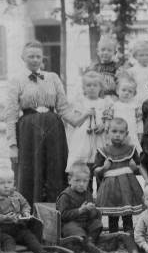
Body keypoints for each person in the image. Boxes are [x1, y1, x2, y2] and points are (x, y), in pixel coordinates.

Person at [5, 41, 89, 206]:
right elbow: (10, 115)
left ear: (42, 57)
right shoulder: (16, 80)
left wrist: (84, 116)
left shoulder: (53, 77)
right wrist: (12, 145)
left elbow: (64, 109)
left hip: (53, 129)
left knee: (55, 169)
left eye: (38, 56)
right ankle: (29, 214)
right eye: (31, 56)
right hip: (29, 131)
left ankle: (57, 214)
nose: (35, 59)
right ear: (23, 58)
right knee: (29, 172)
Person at [0, 169, 59, 253]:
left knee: (28, 236)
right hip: (1, 231)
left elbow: (25, 204)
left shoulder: (16, 195)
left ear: (13, 183)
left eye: (9, 182)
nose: (6, 186)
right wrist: (4, 217)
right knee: (8, 241)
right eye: (2, 183)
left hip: (17, 227)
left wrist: (25, 212)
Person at [93, 118, 146, 233]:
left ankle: (129, 237)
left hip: (128, 186)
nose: (118, 135)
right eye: (114, 131)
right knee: (113, 215)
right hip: (111, 188)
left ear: (126, 134)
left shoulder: (131, 149)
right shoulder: (103, 151)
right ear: (107, 132)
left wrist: (134, 167)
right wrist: (104, 168)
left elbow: (138, 167)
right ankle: (114, 237)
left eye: (121, 132)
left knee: (127, 214)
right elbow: (96, 170)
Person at [66, 71, 112, 191]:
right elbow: (76, 122)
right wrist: (85, 114)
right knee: (84, 167)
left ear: (100, 87)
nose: (91, 88)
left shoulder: (105, 102)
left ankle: (102, 195)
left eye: (95, 85)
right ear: (84, 88)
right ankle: (85, 194)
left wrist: (103, 126)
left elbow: (108, 119)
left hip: (99, 138)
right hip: (83, 138)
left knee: (99, 166)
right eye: (88, 85)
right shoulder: (80, 102)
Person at [56, 163, 110, 253]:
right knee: (76, 231)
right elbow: (62, 215)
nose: (81, 184)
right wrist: (79, 210)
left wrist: (93, 211)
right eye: (77, 180)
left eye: (85, 181)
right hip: (69, 224)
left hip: (85, 223)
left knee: (97, 224)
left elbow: (92, 216)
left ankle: (89, 243)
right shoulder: (65, 196)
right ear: (69, 180)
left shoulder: (87, 194)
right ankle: (83, 249)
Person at [112, 74, 143, 153]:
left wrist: (140, 133)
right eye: (124, 90)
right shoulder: (114, 106)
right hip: (117, 134)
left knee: (132, 151)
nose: (126, 93)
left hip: (132, 133)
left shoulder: (135, 107)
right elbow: (109, 121)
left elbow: (139, 121)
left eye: (130, 91)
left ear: (134, 94)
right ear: (117, 91)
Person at [88, 35, 123, 100]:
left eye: (109, 50)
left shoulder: (117, 68)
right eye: (103, 50)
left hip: (113, 97)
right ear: (98, 51)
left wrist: (115, 86)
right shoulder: (94, 68)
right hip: (97, 97)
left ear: (114, 53)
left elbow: (123, 84)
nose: (105, 52)